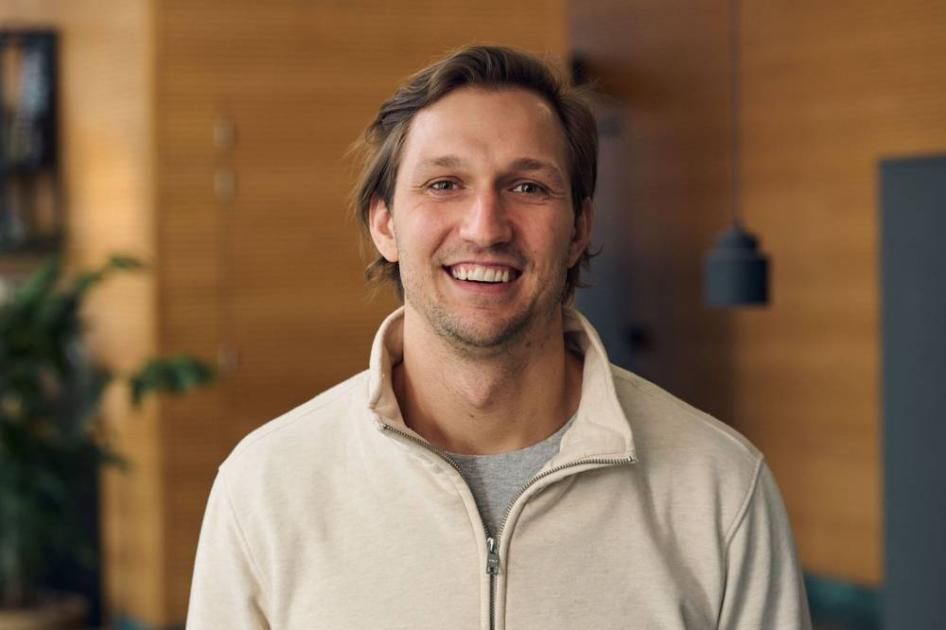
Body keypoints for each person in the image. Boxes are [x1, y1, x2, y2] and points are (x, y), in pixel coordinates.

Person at [187, 45, 812, 629]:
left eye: (528, 187)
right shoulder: (265, 488)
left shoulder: (721, 489)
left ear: (578, 230)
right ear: (385, 224)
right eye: (444, 184)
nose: (485, 228)